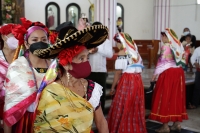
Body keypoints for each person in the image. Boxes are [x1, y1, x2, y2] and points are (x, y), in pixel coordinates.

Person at [33, 24, 109, 132]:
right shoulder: (50, 92)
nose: (86, 62)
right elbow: (43, 127)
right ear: (66, 64)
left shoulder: (92, 88)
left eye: (87, 58)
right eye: (81, 58)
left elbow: (101, 122)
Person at [3, 18, 51, 133]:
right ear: (26, 44)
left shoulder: (54, 67)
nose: (40, 42)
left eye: (44, 40)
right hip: (26, 121)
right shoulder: (17, 67)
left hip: (51, 119)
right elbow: (10, 105)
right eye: (35, 40)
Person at [149, 28, 188, 133]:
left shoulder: (166, 46)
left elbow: (162, 62)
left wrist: (155, 74)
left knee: (165, 96)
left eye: (163, 36)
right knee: (176, 97)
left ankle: (165, 126)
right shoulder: (179, 45)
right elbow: (184, 61)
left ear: (167, 37)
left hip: (168, 73)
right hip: (179, 74)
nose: (162, 38)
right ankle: (176, 124)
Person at [107, 32, 147, 133]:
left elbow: (117, 73)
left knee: (124, 105)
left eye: (117, 42)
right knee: (134, 106)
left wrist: (112, 87)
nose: (117, 45)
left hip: (127, 81)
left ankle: (123, 129)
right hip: (137, 81)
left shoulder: (122, 53)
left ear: (122, 42)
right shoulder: (135, 52)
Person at [87, 21, 113, 112]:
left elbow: (110, 54)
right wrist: (89, 52)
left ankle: (100, 113)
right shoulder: (89, 41)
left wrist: (98, 50)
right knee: (89, 93)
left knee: (100, 94)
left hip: (101, 71)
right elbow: (83, 54)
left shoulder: (106, 41)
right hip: (89, 71)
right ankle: (90, 113)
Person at [0, 23, 18, 129]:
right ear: (3, 36)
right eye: (13, 35)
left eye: (17, 36)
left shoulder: (22, 55)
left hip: (19, 101)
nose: (16, 39)